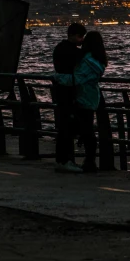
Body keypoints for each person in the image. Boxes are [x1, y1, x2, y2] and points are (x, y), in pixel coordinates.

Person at [54, 30, 108, 173]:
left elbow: (77, 78)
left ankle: (81, 161)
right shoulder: (98, 60)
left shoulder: (87, 60)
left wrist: (58, 77)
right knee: (87, 129)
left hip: (82, 97)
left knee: (80, 130)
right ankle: (89, 161)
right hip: (92, 97)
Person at [52, 21, 86, 173]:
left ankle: (62, 160)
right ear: (72, 35)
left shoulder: (59, 48)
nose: (81, 40)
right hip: (68, 92)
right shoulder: (73, 52)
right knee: (67, 127)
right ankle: (65, 160)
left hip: (60, 90)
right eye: (80, 37)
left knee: (63, 126)